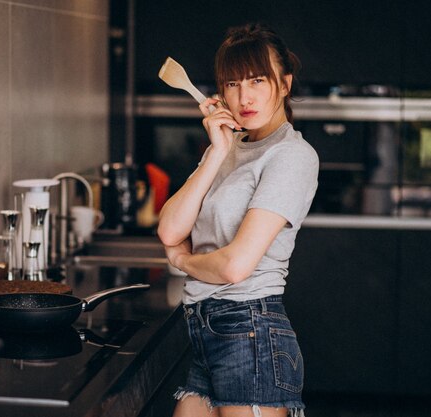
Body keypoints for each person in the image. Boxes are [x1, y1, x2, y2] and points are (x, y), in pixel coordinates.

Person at [157, 23, 319, 417]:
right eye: (231, 84)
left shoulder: (291, 156)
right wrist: (216, 153)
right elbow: (169, 228)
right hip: (206, 331)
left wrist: (182, 262)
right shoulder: (230, 146)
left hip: (251, 332)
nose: (244, 96)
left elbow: (234, 265)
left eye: (257, 80)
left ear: (284, 84)